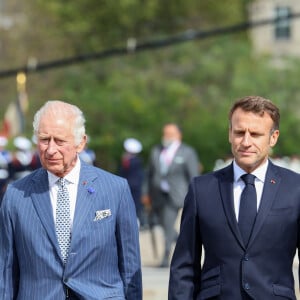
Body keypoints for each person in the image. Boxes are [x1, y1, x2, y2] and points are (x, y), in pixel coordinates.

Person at [0, 100, 142, 299]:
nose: (50, 150)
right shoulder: (16, 195)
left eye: (59, 141)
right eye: (43, 139)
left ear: (81, 143)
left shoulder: (115, 189)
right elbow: (5, 271)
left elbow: (130, 268)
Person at [168, 95, 300, 299]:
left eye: (255, 134)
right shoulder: (202, 189)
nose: (246, 142)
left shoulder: (295, 188)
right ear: (230, 133)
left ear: (273, 137)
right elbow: (184, 266)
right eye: (239, 132)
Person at [145, 123, 200, 267]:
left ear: (178, 135)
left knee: (168, 225)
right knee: (164, 226)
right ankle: (181, 240)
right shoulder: (156, 151)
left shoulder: (187, 152)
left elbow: (193, 176)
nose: (166, 136)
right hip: (158, 195)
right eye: (165, 133)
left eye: (170, 134)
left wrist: (195, 196)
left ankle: (165, 257)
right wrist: (146, 193)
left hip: (176, 196)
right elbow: (149, 174)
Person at [119, 138, 146, 229]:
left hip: (133, 187)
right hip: (134, 186)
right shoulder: (136, 160)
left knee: (135, 205)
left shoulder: (132, 161)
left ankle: (139, 222)